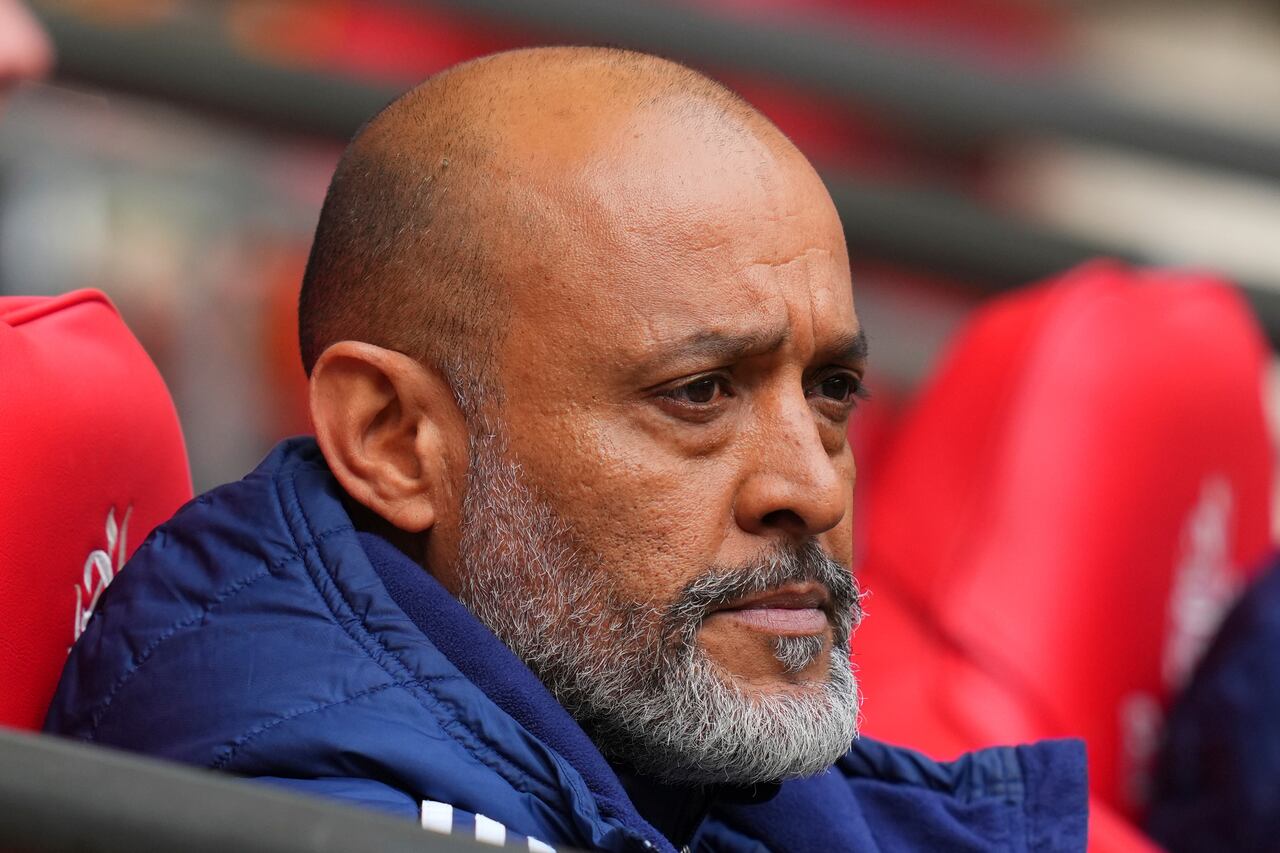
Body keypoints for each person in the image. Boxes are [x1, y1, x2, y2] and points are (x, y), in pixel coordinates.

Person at [45, 47, 1087, 851]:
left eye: (831, 392)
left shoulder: (641, 718)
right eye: (698, 394)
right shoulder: (313, 810)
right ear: (394, 440)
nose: (813, 488)